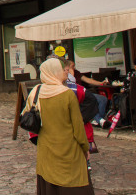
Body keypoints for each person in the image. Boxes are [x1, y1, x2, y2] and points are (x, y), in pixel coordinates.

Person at [23, 58, 93, 195]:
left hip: (46, 148)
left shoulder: (36, 92)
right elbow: (78, 128)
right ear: (55, 72)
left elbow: (26, 114)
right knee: (74, 183)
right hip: (69, 148)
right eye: (61, 69)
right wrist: (85, 147)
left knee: (50, 183)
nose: (64, 72)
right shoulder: (67, 94)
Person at [68, 61, 109, 128]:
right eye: (72, 66)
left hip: (83, 93)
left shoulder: (77, 73)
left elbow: (88, 80)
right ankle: (100, 120)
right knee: (90, 102)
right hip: (75, 95)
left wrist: (101, 83)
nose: (74, 68)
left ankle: (98, 120)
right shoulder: (65, 74)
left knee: (103, 99)